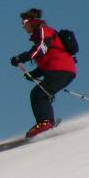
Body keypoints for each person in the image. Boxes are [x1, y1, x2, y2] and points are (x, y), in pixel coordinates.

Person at [10, 8, 77, 138]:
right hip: (61, 70)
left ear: (31, 22)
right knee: (39, 93)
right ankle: (47, 123)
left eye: (24, 24)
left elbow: (40, 50)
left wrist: (20, 58)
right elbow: (45, 61)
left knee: (40, 93)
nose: (23, 27)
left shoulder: (44, 32)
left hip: (61, 69)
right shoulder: (40, 37)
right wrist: (34, 74)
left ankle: (45, 123)